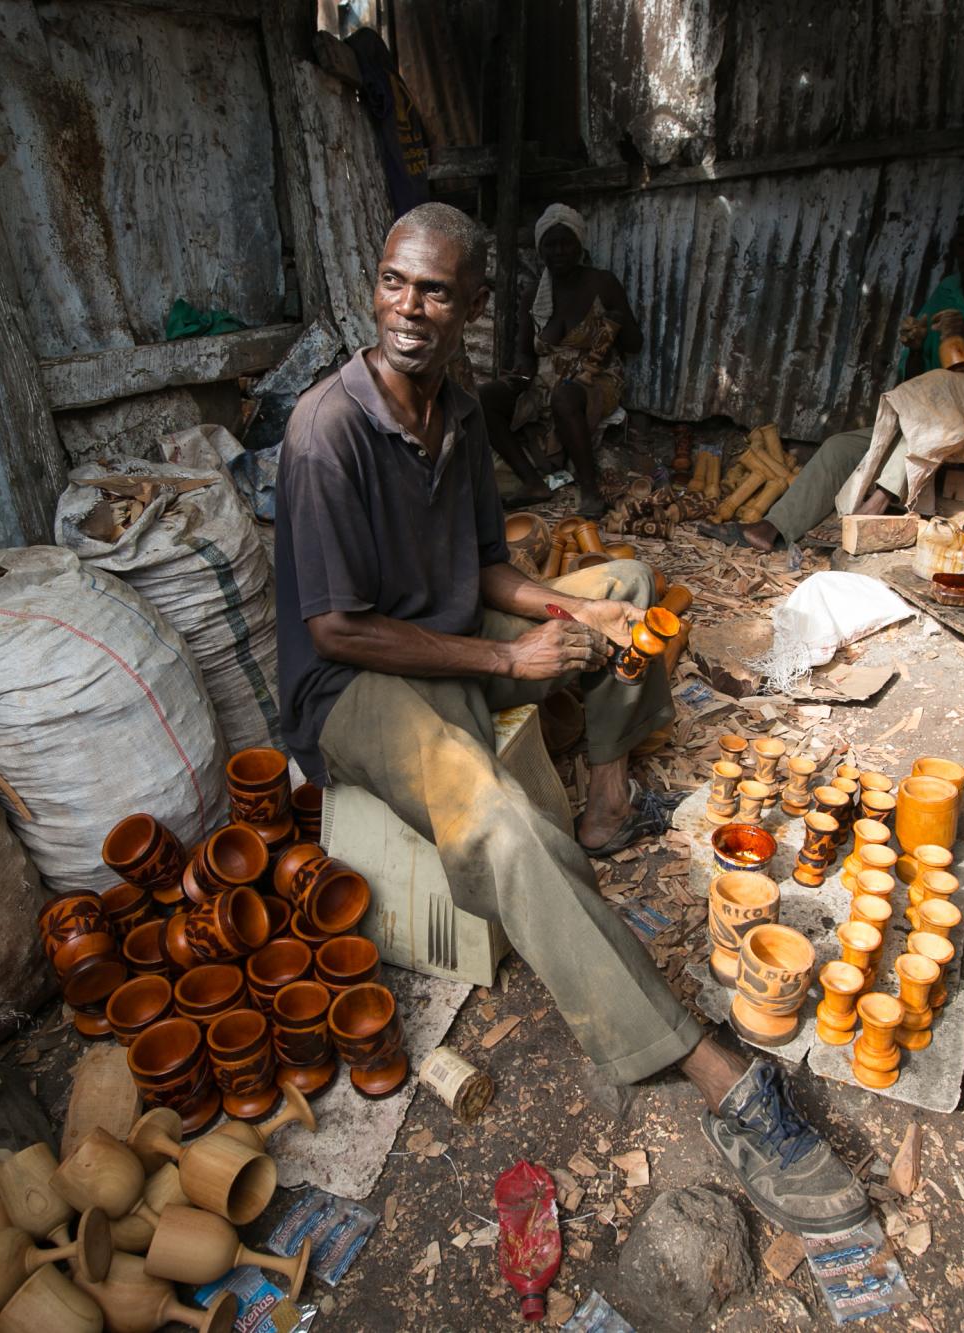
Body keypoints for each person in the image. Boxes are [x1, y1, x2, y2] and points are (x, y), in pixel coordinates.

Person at [275, 202, 870, 1236]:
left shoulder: (454, 413)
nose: (408, 309)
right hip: (354, 689)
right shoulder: (325, 431)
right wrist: (512, 656)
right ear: (373, 286)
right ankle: (714, 1071)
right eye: (391, 283)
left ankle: (604, 802)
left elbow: (483, 568)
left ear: (472, 305)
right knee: (498, 825)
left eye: (434, 291)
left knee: (632, 579)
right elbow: (335, 628)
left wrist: (575, 608)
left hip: (450, 640)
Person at [702, 203, 964, 550]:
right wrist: (915, 348)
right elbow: (913, 385)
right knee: (840, 447)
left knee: (942, 400)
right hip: (932, 420)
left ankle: (873, 507)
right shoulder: (948, 291)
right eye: (963, 243)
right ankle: (770, 528)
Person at [478, 203, 643, 517]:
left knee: (565, 395)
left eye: (566, 243)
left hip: (597, 380)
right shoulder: (533, 295)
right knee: (485, 398)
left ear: (579, 245)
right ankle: (533, 483)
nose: (559, 251)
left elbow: (635, 344)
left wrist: (614, 326)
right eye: (550, 245)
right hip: (546, 381)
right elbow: (526, 353)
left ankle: (590, 491)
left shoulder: (602, 284)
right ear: (540, 249)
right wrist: (521, 376)